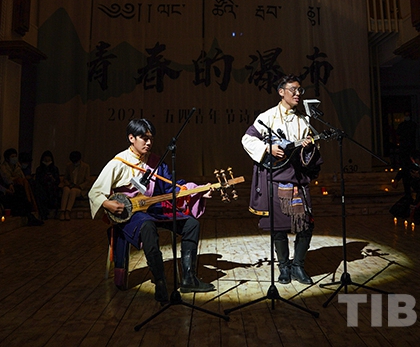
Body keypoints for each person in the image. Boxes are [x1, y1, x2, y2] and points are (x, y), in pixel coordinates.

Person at [87, 119, 215, 304]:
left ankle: (189, 278)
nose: (148, 142)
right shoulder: (119, 162)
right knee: (147, 225)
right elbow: (95, 192)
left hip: (154, 208)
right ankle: (160, 281)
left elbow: (171, 188)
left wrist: (198, 191)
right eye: (144, 138)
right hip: (131, 213)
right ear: (131, 138)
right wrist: (108, 204)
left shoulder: (157, 162)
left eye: (151, 139)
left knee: (191, 224)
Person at [241, 75, 322, 285]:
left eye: (299, 90)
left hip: (298, 179)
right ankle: (284, 267)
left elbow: (312, 148)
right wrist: (267, 148)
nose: (297, 94)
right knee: (278, 227)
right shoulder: (267, 116)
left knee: (306, 225)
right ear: (281, 92)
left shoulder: (304, 119)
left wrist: (309, 146)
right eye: (293, 89)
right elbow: (247, 138)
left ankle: (298, 266)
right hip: (277, 179)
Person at [60, 151, 91, 221]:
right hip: (70, 185)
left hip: (79, 188)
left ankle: (68, 211)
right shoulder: (69, 166)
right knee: (66, 190)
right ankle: (62, 211)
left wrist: (79, 186)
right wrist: (68, 184)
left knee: (73, 191)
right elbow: (65, 178)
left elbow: (87, 180)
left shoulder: (85, 167)